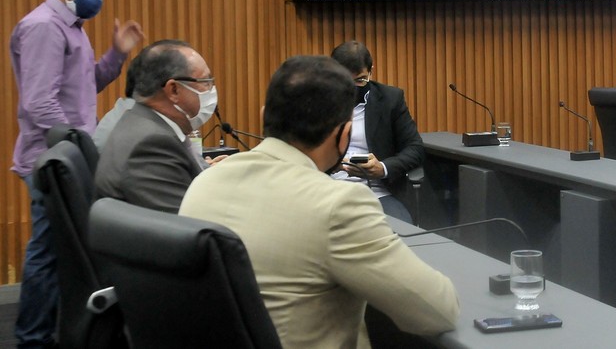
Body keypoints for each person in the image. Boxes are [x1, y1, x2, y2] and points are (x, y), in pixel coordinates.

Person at [180, 55, 459, 348]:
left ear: (265, 115)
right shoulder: (339, 205)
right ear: (344, 135)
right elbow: (437, 311)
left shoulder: (204, 182)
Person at [9, 0, 144, 349]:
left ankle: (48, 334)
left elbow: (86, 87)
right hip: (51, 160)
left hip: (65, 155)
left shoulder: (72, 28)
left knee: (59, 254)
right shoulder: (44, 27)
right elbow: (39, 103)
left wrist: (117, 54)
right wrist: (78, 149)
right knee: (48, 254)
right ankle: (32, 340)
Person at [95, 39, 220, 212]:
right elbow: (190, 223)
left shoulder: (145, 123)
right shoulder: (150, 144)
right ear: (174, 90)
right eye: (206, 81)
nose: (211, 89)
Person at [329, 41, 425, 223]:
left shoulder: (390, 99)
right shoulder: (314, 100)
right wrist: (330, 164)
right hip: (326, 189)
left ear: (371, 71)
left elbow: (415, 148)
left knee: (404, 233)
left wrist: (382, 168)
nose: (352, 87)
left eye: (360, 80)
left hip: (376, 192)